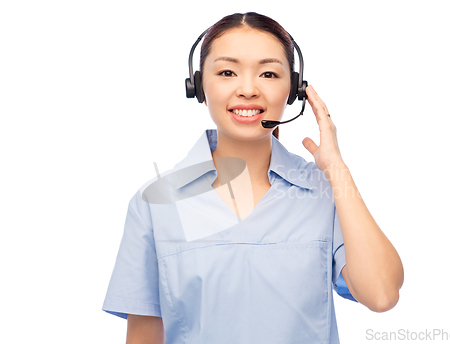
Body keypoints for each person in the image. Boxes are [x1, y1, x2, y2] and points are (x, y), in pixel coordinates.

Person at [102, 12, 404, 344]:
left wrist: (336, 169)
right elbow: (144, 336)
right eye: (227, 72)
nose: (248, 89)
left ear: (294, 90)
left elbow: (381, 295)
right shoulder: (156, 202)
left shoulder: (325, 190)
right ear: (198, 85)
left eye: (269, 73)